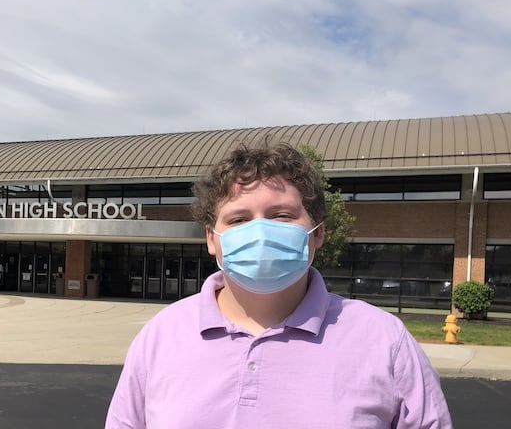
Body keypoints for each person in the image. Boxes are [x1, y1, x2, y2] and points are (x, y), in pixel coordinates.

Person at [105, 143, 452, 428]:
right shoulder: (161, 336)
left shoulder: (383, 340)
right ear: (212, 238)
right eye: (239, 219)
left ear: (317, 233)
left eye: (282, 215)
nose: (260, 231)